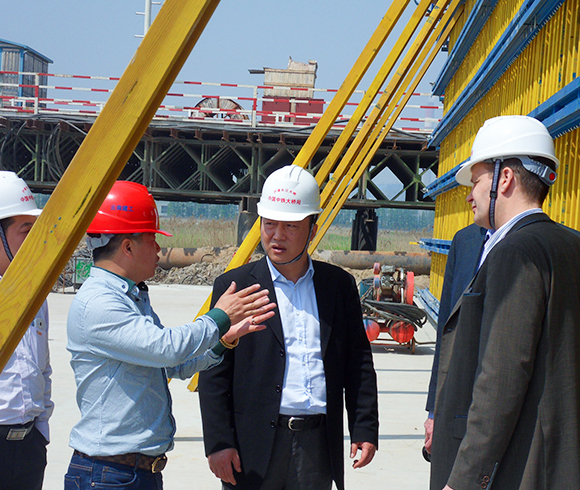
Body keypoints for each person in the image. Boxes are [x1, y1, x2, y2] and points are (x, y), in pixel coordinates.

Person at [64, 181, 276, 490]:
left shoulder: (130, 297)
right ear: (128, 247)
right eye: (152, 240)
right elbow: (167, 349)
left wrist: (223, 341)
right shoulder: (100, 302)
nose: (159, 250)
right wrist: (219, 317)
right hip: (109, 475)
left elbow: (172, 365)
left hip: (132, 473)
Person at [198, 165, 379, 490]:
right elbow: (215, 370)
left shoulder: (338, 286)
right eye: (269, 223)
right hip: (253, 448)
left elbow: (358, 363)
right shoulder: (235, 287)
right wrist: (218, 441)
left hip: (316, 447)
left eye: (291, 226)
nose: (277, 235)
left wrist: (364, 427)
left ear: (312, 229)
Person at [430, 115, 580, 489]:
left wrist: (464, 479)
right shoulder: (570, 245)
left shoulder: (515, 253)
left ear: (505, 178)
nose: (469, 195)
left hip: (519, 465)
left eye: (477, 181)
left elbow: (501, 377)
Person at [0, 171, 53, 490]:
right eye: (25, 231)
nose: (35, 241)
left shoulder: (35, 295)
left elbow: (42, 370)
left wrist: (40, 434)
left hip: (28, 448)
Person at [423, 223, 486, 456]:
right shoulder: (465, 241)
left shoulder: (551, 244)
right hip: (460, 408)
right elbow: (446, 334)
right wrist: (434, 411)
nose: (470, 203)